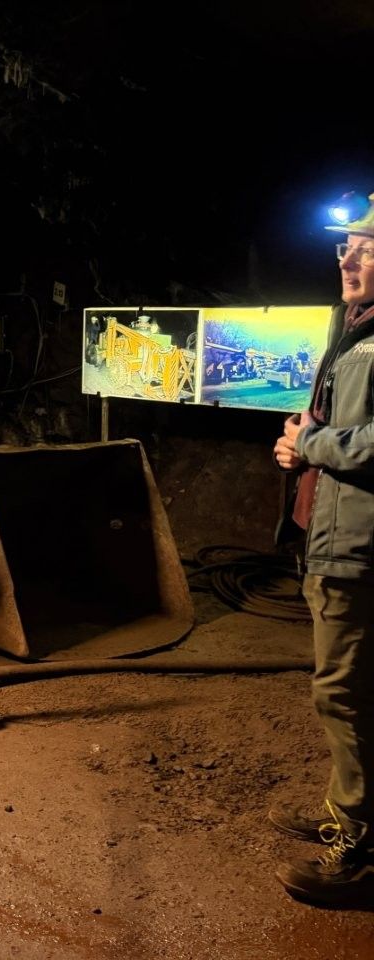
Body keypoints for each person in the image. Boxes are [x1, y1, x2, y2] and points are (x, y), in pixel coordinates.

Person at [271, 194, 374, 905]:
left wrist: (312, 443)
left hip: (361, 547)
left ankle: (360, 845)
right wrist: (297, 446)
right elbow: (328, 427)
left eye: (366, 248)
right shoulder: (354, 328)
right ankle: (347, 811)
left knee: (344, 694)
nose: (348, 259)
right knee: (351, 691)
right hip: (334, 536)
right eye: (345, 246)